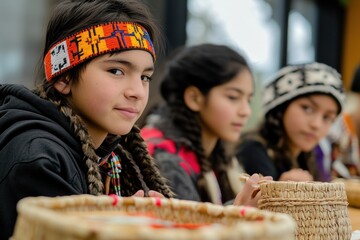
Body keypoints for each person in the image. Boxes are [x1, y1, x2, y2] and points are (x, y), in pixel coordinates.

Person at [0, 0, 175, 238]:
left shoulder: (109, 155)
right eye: (116, 71)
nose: (137, 91)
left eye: (145, 76)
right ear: (64, 78)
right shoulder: (38, 160)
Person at [141, 43, 272, 205]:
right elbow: (186, 228)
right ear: (194, 98)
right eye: (233, 97)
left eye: (248, 100)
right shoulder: (162, 157)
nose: (246, 111)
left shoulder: (219, 156)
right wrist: (240, 212)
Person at [236, 62, 345, 182]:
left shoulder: (307, 156)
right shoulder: (253, 150)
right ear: (281, 108)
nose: (316, 124)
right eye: (307, 109)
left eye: (327, 117)